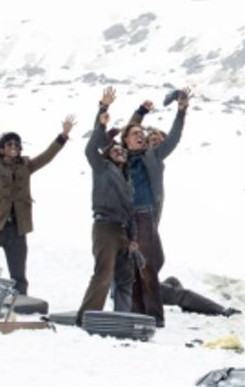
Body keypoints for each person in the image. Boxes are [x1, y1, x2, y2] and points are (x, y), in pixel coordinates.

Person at [0, 104, 74, 296]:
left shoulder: (26, 166)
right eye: (9, 144)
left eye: (17, 145)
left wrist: (63, 135)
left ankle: (19, 305)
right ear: (1, 149)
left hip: (18, 230)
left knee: (18, 275)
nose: (14, 147)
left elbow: (47, 156)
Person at [118, 91, 189, 326]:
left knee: (148, 266)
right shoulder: (122, 157)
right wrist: (140, 112)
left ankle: (155, 317)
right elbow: (129, 129)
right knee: (132, 267)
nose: (140, 136)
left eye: (142, 134)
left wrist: (181, 111)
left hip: (145, 215)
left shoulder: (153, 155)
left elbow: (175, 138)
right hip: (126, 218)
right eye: (136, 134)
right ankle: (136, 312)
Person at [77, 87, 139, 325]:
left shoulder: (127, 180)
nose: (120, 152)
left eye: (122, 150)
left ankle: (122, 317)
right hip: (105, 226)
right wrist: (103, 111)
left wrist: (132, 238)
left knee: (125, 277)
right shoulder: (102, 168)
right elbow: (92, 146)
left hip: (122, 229)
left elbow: (131, 211)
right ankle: (87, 317)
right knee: (103, 274)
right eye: (115, 150)